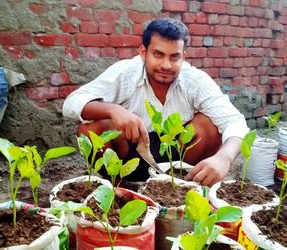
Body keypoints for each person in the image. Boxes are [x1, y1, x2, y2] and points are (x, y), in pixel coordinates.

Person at [62, 17, 249, 186]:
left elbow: (234, 122)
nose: (166, 65)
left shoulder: (195, 80)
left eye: (174, 57)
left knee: (209, 124)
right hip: (130, 156)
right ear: (144, 52)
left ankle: (183, 185)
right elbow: (71, 104)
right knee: (89, 129)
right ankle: (121, 189)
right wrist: (112, 110)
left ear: (183, 56)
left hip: (179, 157)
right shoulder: (125, 73)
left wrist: (224, 158)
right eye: (158, 54)